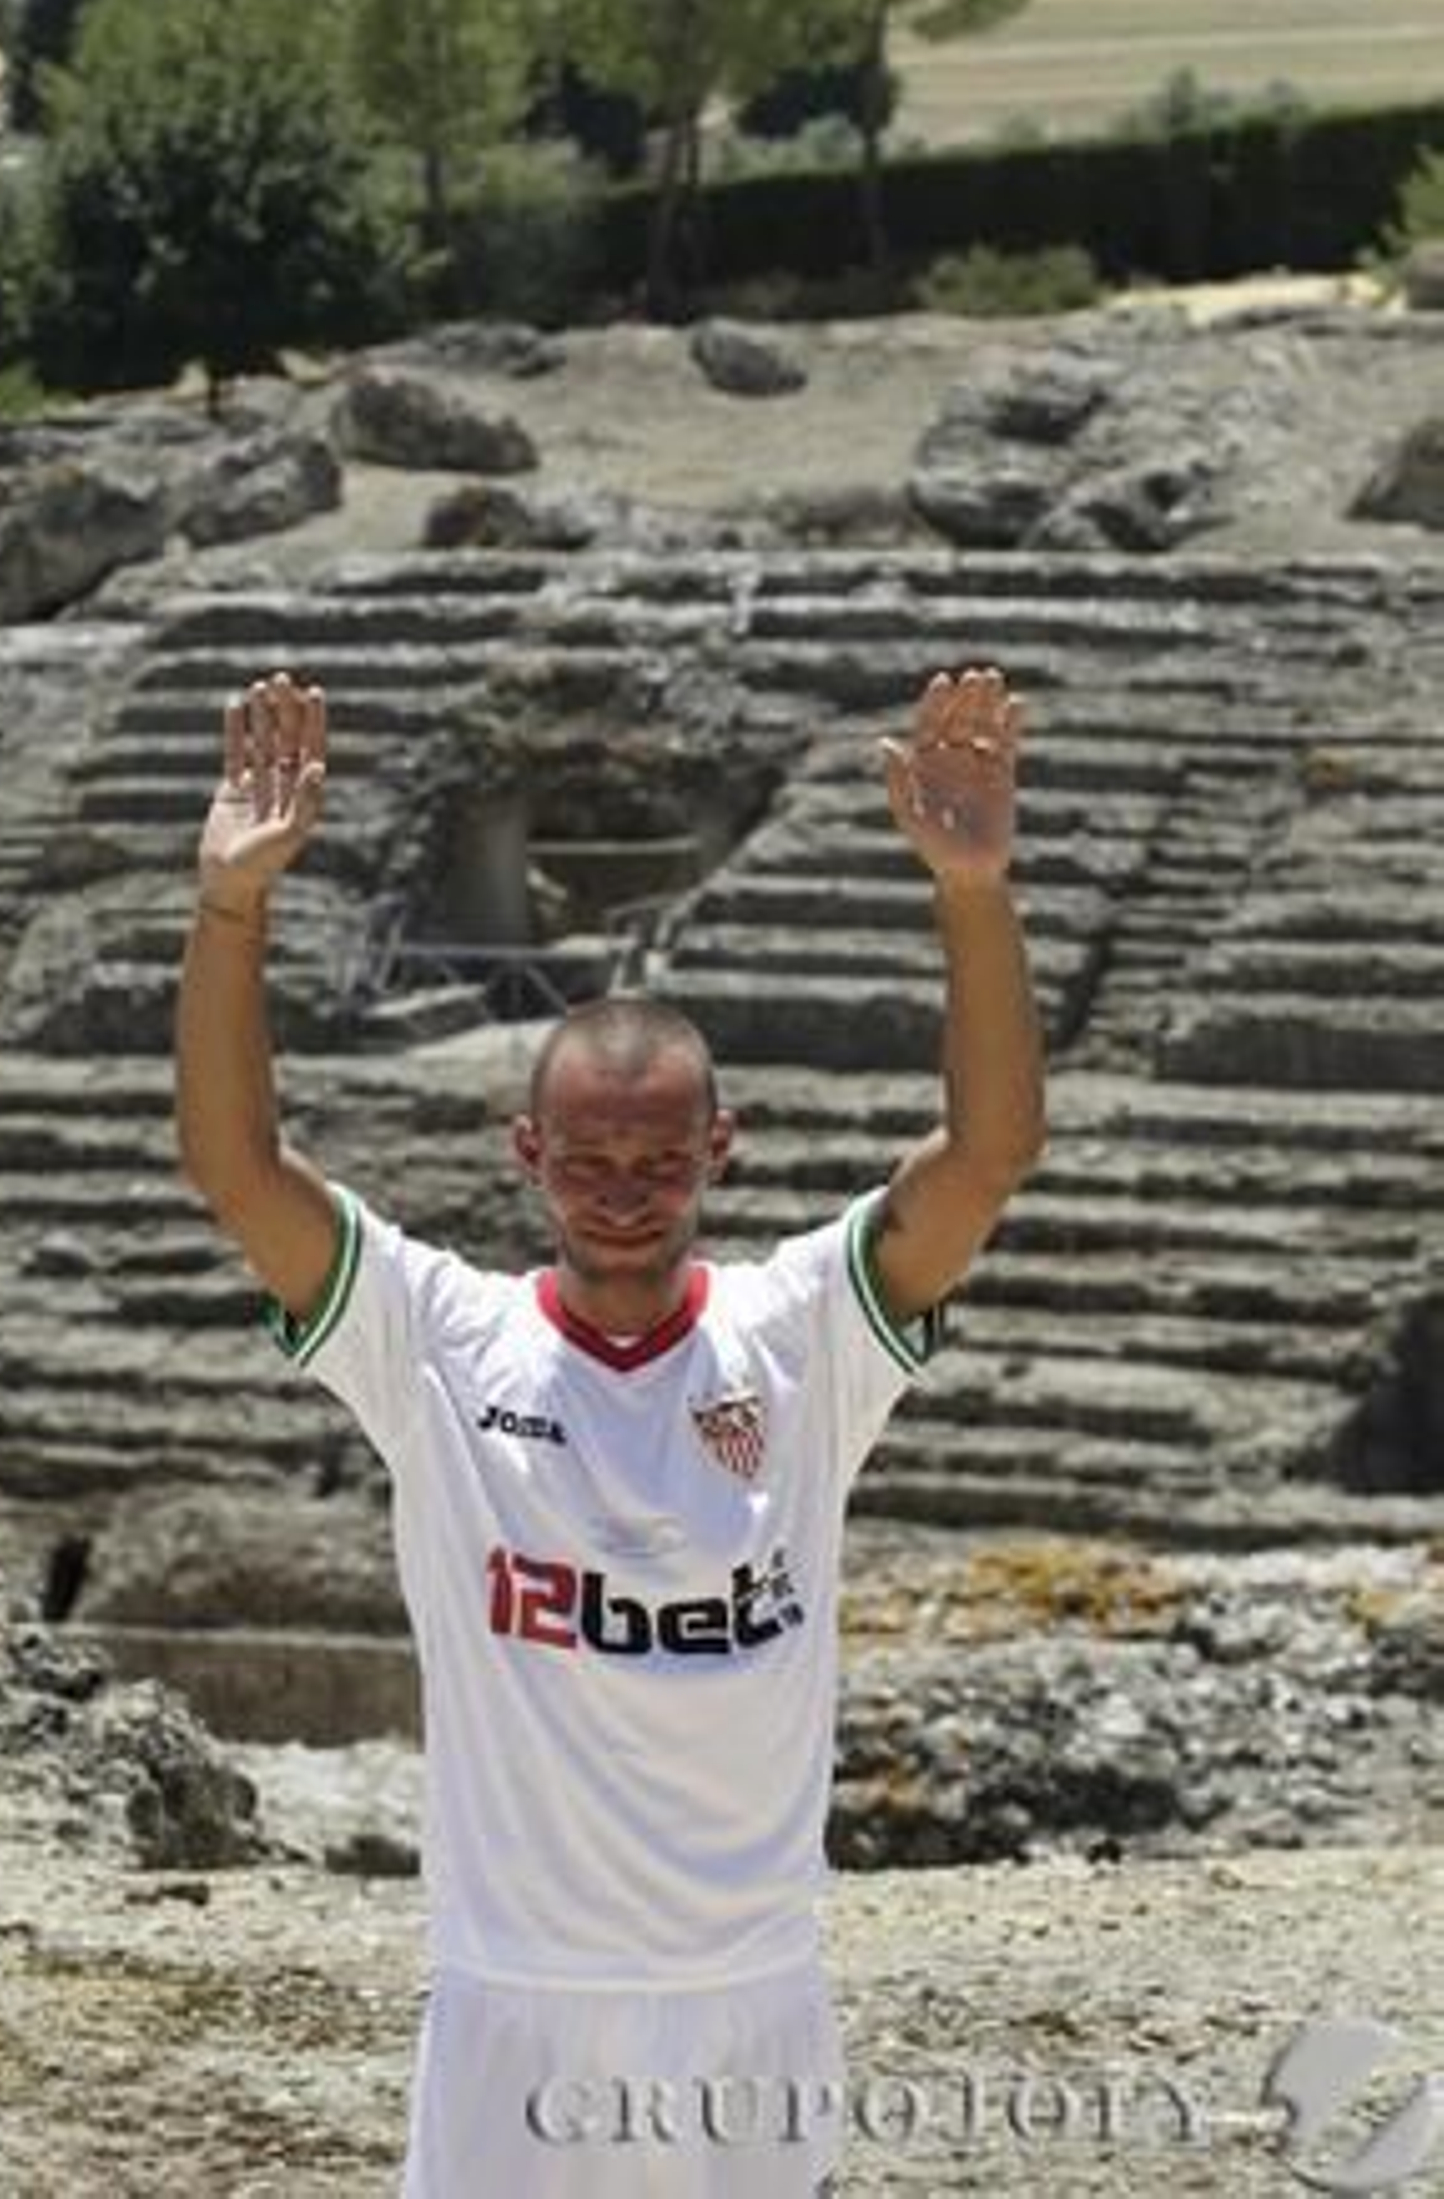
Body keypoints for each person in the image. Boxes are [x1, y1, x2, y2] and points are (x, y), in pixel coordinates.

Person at [174, 663, 1045, 2196]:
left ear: (720, 1145)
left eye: (659, 1154)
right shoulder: (444, 1337)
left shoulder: (799, 1335)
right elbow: (242, 1174)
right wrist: (233, 908)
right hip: (519, 1995)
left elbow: (985, 1158)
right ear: (528, 1153)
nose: (624, 1185)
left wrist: (973, 895)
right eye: (588, 1154)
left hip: (749, 1997)